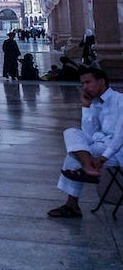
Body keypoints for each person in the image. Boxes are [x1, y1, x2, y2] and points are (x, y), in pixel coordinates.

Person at [48, 68, 123, 218]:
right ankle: (88, 167)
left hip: (117, 151)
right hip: (99, 146)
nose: (85, 87)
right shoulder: (94, 103)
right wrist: (86, 106)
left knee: (73, 155)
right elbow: (87, 134)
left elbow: (120, 137)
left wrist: (104, 157)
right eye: (82, 84)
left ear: (101, 81)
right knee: (71, 132)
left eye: (88, 82)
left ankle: (72, 204)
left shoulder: (120, 100)